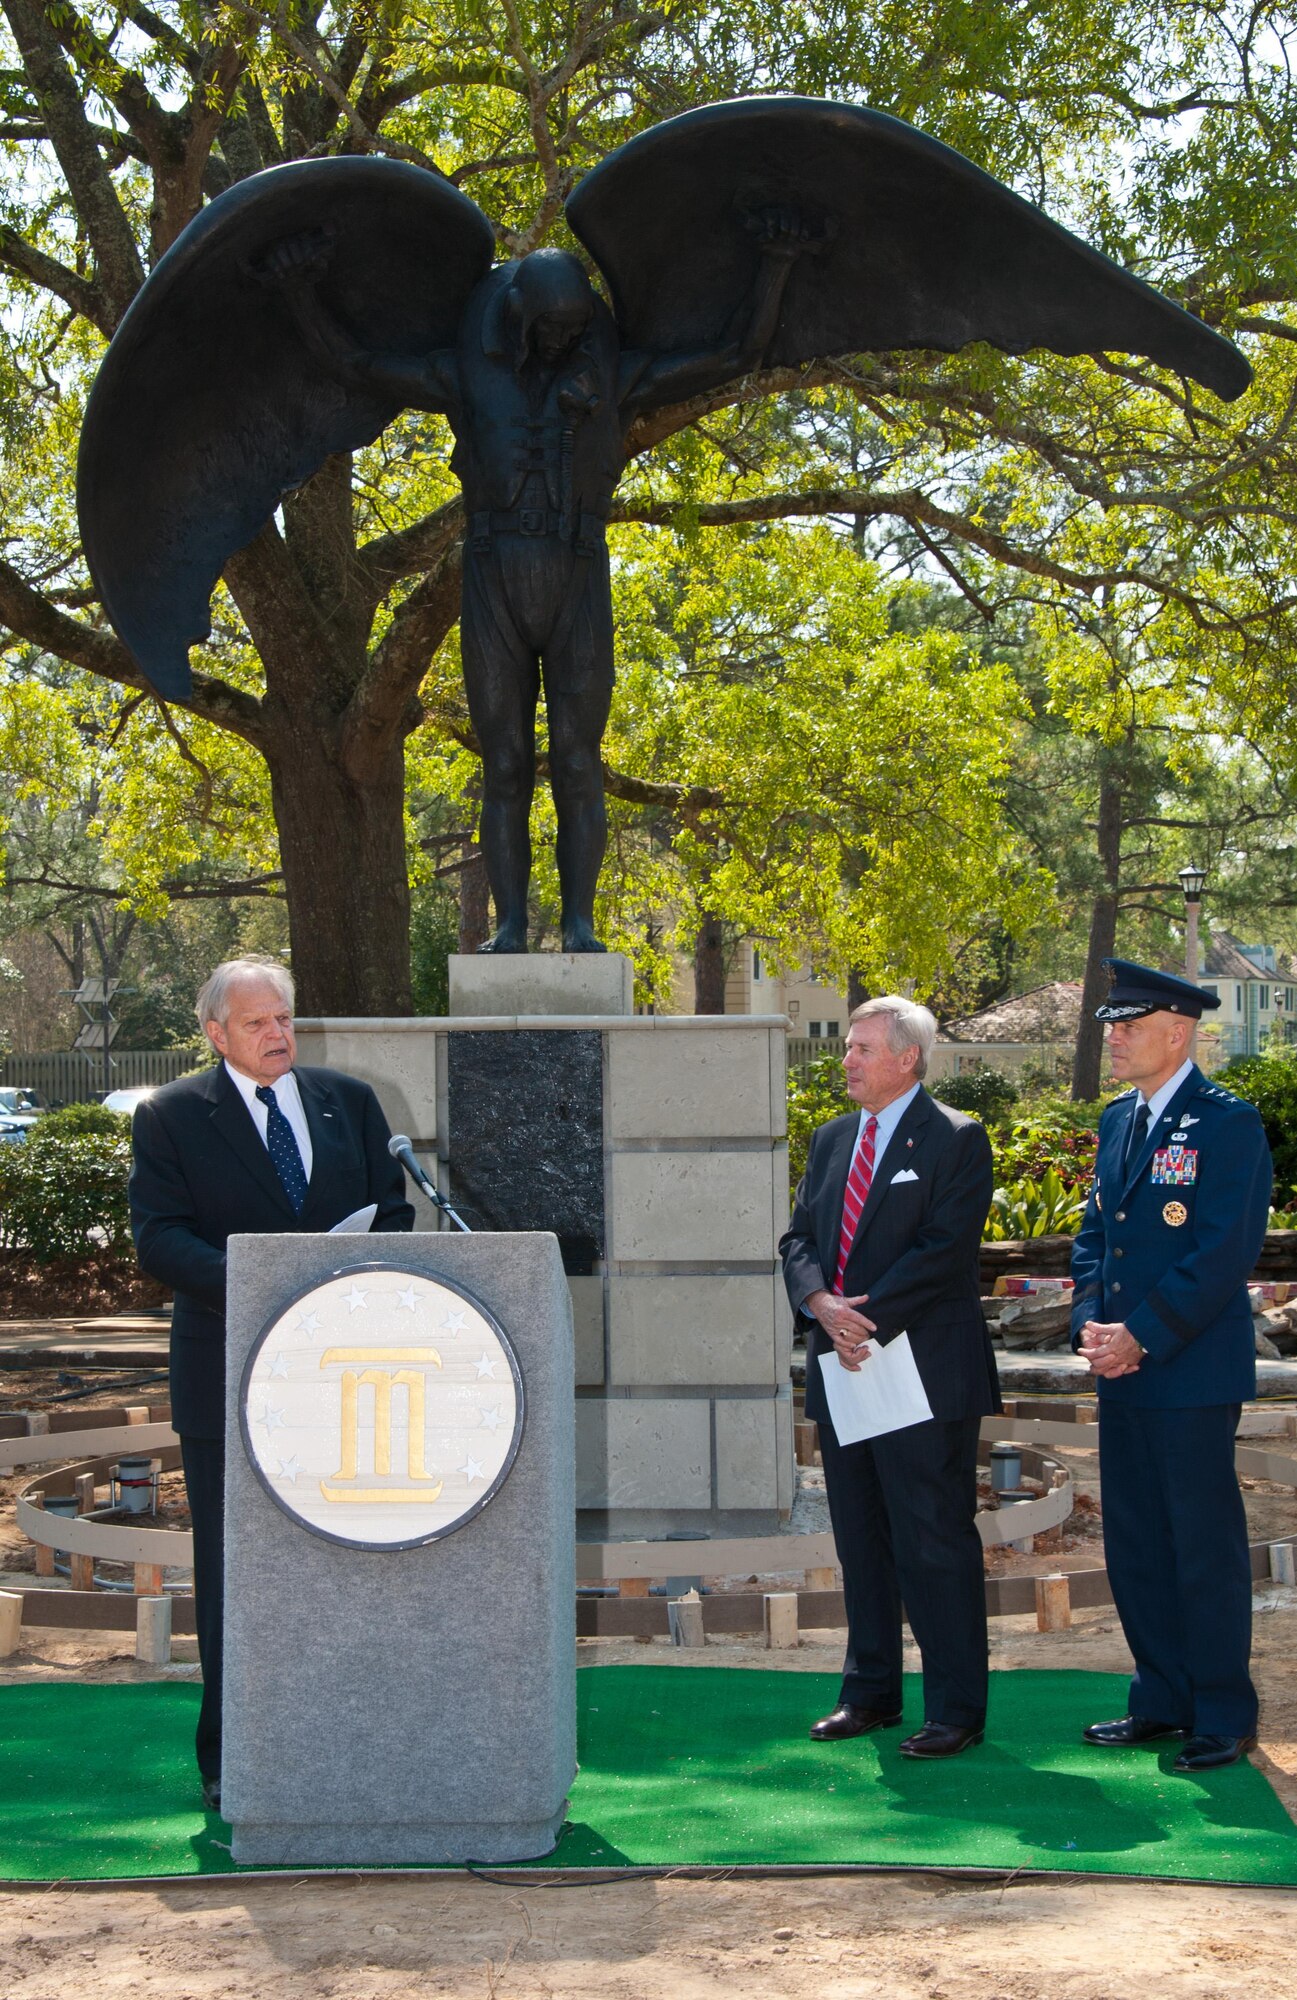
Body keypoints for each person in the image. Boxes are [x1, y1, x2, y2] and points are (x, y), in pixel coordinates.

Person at [262, 223, 810, 953]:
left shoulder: (613, 374)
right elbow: (358, 363)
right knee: (506, 764)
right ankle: (513, 925)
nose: (561, 341)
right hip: (494, 577)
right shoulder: (465, 373)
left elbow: (737, 352)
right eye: (549, 328)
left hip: (577, 572)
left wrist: (774, 262)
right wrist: (300, 289)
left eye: (574, 329)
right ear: (519, 318)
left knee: (580, 760)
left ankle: (580, 925)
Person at [129, 956, 415, 1810]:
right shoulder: (173, 1116)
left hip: (348, 1378)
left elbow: (392, 1213)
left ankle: (347, 1738)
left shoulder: (348, 1103)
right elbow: (158, 1239)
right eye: (257, 1023)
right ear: (216, 1033)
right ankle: (232, 1758)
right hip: (229, 1371)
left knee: (344, 1559)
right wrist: (259, 1282)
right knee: (233, 1573)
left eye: (284, 1018)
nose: (278, 1034)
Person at [780, 996, 998, 1758]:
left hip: (920, 1368)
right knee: (861, 1537)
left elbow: (943, 1249)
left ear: (907, 1058)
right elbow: (799, 1235)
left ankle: (955, 1708)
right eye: (847, 1047)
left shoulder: (956, 1139)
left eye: (861, 1048)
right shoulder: (832, 1138)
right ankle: (869, 1691)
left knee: (933, 1539)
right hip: (843, 1369)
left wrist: (858, 1320)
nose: (846, 1060)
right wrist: (815, 1301)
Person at [1071, 958, 1272, 1771]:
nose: (1113, 1039)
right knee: (1136, 1541)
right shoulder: (1119, 1120)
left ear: (1177, 1032)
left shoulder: (1226, 1123)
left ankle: (1221, 1709)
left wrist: (1141, 1335)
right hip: (1120, 1367)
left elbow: (1221, 1251)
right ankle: (1159, 1695)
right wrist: (1092, 1325)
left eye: (1127, 1026)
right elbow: (1095, 1238)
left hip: (1185, 1367)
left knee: (1200, 1541)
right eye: (1111, 1026)